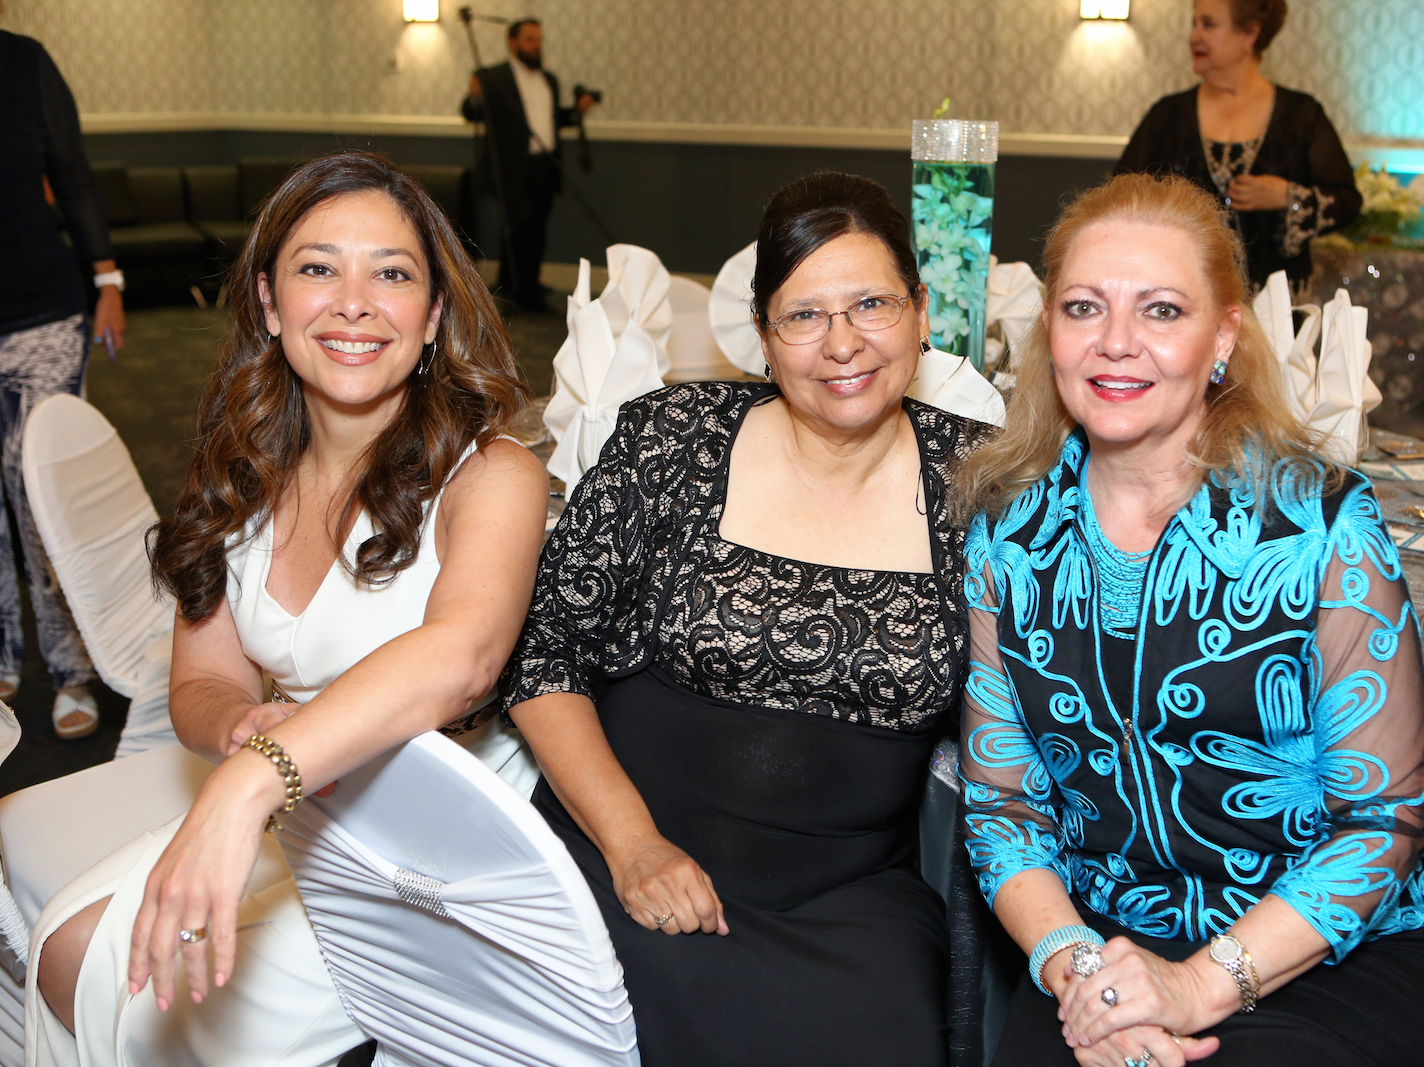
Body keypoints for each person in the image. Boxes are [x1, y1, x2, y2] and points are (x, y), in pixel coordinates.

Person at [26, 151, 547, 1066]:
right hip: (296, 803)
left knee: (129, 987)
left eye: (392, 273)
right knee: (69, 949)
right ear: (270, 304)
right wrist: (242, 725)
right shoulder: (239, 465)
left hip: (438, 848)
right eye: (318, 268)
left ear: (431, 316)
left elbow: (462, 653)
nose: (354, 302)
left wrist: (253, 777)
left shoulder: (494, 473)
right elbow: (204, 675)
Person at [953, 172, 1424, 1067]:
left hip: (1325, 950)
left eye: (1160, 311)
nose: (1115, 344)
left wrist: (1194, 986)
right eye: (1082, 307)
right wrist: (1083, 975)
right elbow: (1003, 806)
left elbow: (1383, 822)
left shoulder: (1318, 525)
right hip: (1102, 939)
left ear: (1222, 335)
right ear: (1050, 332)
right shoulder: (1009, 536)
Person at [501, 171, 984, 1067]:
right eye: (803, 315)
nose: (842, 343)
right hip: (625, 846)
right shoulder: (673, 437)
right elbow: (544, 656)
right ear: (763, 336)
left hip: (848, 897)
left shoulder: (982, 487)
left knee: (890, 1036)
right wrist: (634, 843)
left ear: (921, 314)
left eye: (872, 303)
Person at [0, 28, 123, 739]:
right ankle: (6, 647)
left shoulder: (23, 63)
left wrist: (106, 277)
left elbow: (72, 171)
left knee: (33, 486)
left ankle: (71, 663)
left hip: (42, 311)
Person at [1115, 0, 1359, 296]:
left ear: (1249, 34)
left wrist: (1288, 197)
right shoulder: (1167, 116)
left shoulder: (1301, 115)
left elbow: (1347, 201)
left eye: (1208, 24)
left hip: (1278, 312)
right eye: (1194, 23)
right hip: (1185, 301)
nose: (1193, 36)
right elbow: (1121, 197)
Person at [462, 17, 596, 312]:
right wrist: (474, 95)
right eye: (530, 40)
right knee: (516, 228)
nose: (537, 46)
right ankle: (517, 289)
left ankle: (529, 282)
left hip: (544, 166)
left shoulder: (548, 79)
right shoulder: (493, 77)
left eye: (539, 39)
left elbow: (552, 121)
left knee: (537, 227)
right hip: (511, 169)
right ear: (513, 43)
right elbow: (471, 113)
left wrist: (576, 112)